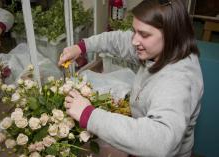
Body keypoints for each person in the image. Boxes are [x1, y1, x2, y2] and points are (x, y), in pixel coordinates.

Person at [58, 0, 204, 156]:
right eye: (135, 31)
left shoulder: (177, 81)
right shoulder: (160, 49)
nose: (134, 41)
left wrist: (89, 115)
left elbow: (160, 142)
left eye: (144, 34)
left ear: (171, 34)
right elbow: (119, 40)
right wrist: (81, 48)